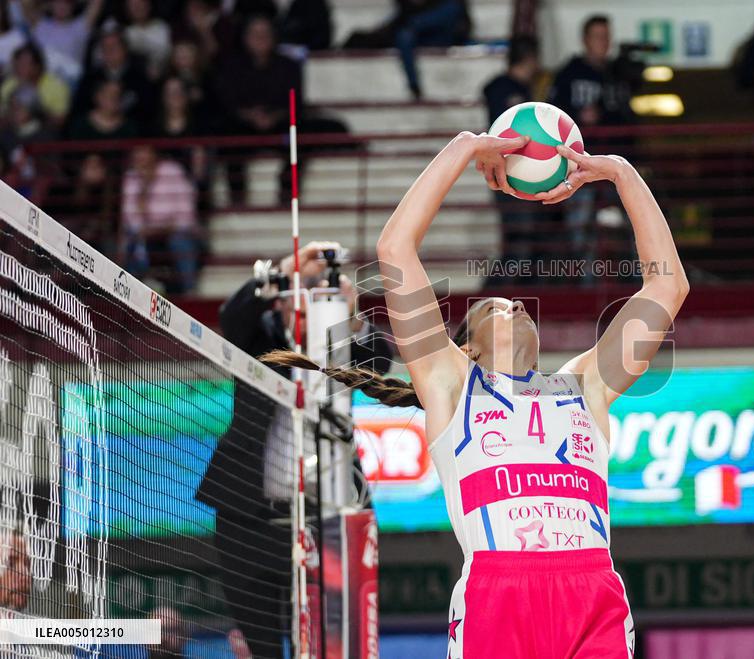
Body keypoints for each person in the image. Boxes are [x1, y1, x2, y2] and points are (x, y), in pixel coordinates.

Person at [265, 131, 688, 657]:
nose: (514, 305)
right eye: (495, 305)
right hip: (497, 591)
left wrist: (620, 171)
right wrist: (466, 146)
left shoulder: (585, 385)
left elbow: (665, 287)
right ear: (466, 348)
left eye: (519, 304)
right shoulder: (452, 385)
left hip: (590, 584)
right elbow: (395, 248)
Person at [196, 241, 392, 659]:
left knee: (323, 640)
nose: (304, 306)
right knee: (261, 645)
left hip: (323, 517)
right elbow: (232, 315)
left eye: (317, 296)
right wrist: (287, 269)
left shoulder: (339, 347)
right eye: (298, 295)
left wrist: (351, 317)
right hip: (248, 518)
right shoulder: (259, 337)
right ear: (283, 300)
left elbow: (381, 360)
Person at [549, 15, 634, 282]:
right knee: (581, 229)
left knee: (635, 220)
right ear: (585, 40)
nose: (604, 42)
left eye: (607, 36)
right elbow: (551, 115)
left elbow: (629, 117)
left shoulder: (618, 74)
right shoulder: (569, 73)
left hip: (615, 164)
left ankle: (638, 283)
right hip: (579, 165)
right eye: (598, 36)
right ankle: (585, 285)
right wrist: (577, 115)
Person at [215, 14, 300, 204]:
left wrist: (274, 117)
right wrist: (249, 116)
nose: (261, 39)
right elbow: (227, 102)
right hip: (243, 127)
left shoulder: (289, 66)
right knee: (228, 138)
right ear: (245, 38)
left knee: (300, 138)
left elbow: (296, 102)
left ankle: (287, 192)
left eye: (265, 34)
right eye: (255, 34)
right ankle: (237, 196)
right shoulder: (232, 66)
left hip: (280, 126)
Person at [481, 35, 545, 286]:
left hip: (518, 171)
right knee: (518, 240)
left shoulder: (521, 90)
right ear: (528, 59)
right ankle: (491, 295)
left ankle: (497, 296)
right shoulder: (501, 89)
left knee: (523, 241)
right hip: (507, 171)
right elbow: (503, 132)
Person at [120, 144, 199, 293]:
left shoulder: (173, 172)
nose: (142, 161)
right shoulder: (131, 178)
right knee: (130, 243)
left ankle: (190, 292)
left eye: (145, 156)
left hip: (174, 230)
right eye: (138, 158)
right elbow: (130, 218)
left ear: (154, 155)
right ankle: (128, 293)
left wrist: (166, 228)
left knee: (182, 242)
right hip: (145, 233)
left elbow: (187, 213)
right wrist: (144, 190)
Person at [23, 0, 105, 88]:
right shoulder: (40, 24)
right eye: (57, 2)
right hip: (42, 83)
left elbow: (97, 3)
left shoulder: (80, 26)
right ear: (50, 4)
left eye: (66, 2)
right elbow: (25, 3)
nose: (62, 7)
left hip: (71, 83)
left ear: (72, 6)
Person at [0, 43, 70, 128]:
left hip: (44, 134)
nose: (18, 69)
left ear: (37, 67)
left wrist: (34, 113)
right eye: (16, 65)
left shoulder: (56, 86)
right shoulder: (8, 85)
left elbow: (60, 121)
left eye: (23, 65)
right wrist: (13, 114)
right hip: (13, 134)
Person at [122, 0, 172, 79]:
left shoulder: (161, 27)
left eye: (141, 4)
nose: (138, 8)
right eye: (133, 5)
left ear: (148, 5)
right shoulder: (126, 33)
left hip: (165, 74)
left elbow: (168, 53)